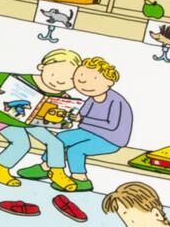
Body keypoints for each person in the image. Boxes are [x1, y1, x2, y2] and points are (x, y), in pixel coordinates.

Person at [22, 55, 133, 192]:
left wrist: (82, 119)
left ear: (109, 82)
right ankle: (46, 166)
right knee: (59, 140)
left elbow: (111, 125)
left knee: (76, 150)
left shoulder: (116, 101)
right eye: (80, 80)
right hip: (88, 132)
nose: (85, 85)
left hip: (111, 139)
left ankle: (81, 179)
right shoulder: (91, 99)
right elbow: (81, 114)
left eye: (93, 80)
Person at [0, 48, 81, 189]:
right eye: (55, 73)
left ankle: (57, 173)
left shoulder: (61, 94)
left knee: (56, 143)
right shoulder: (17, 79)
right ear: (41, 67)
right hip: (1, 118)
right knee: (22, 143)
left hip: (30, 123)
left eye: (70, 79)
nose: (60, 81)